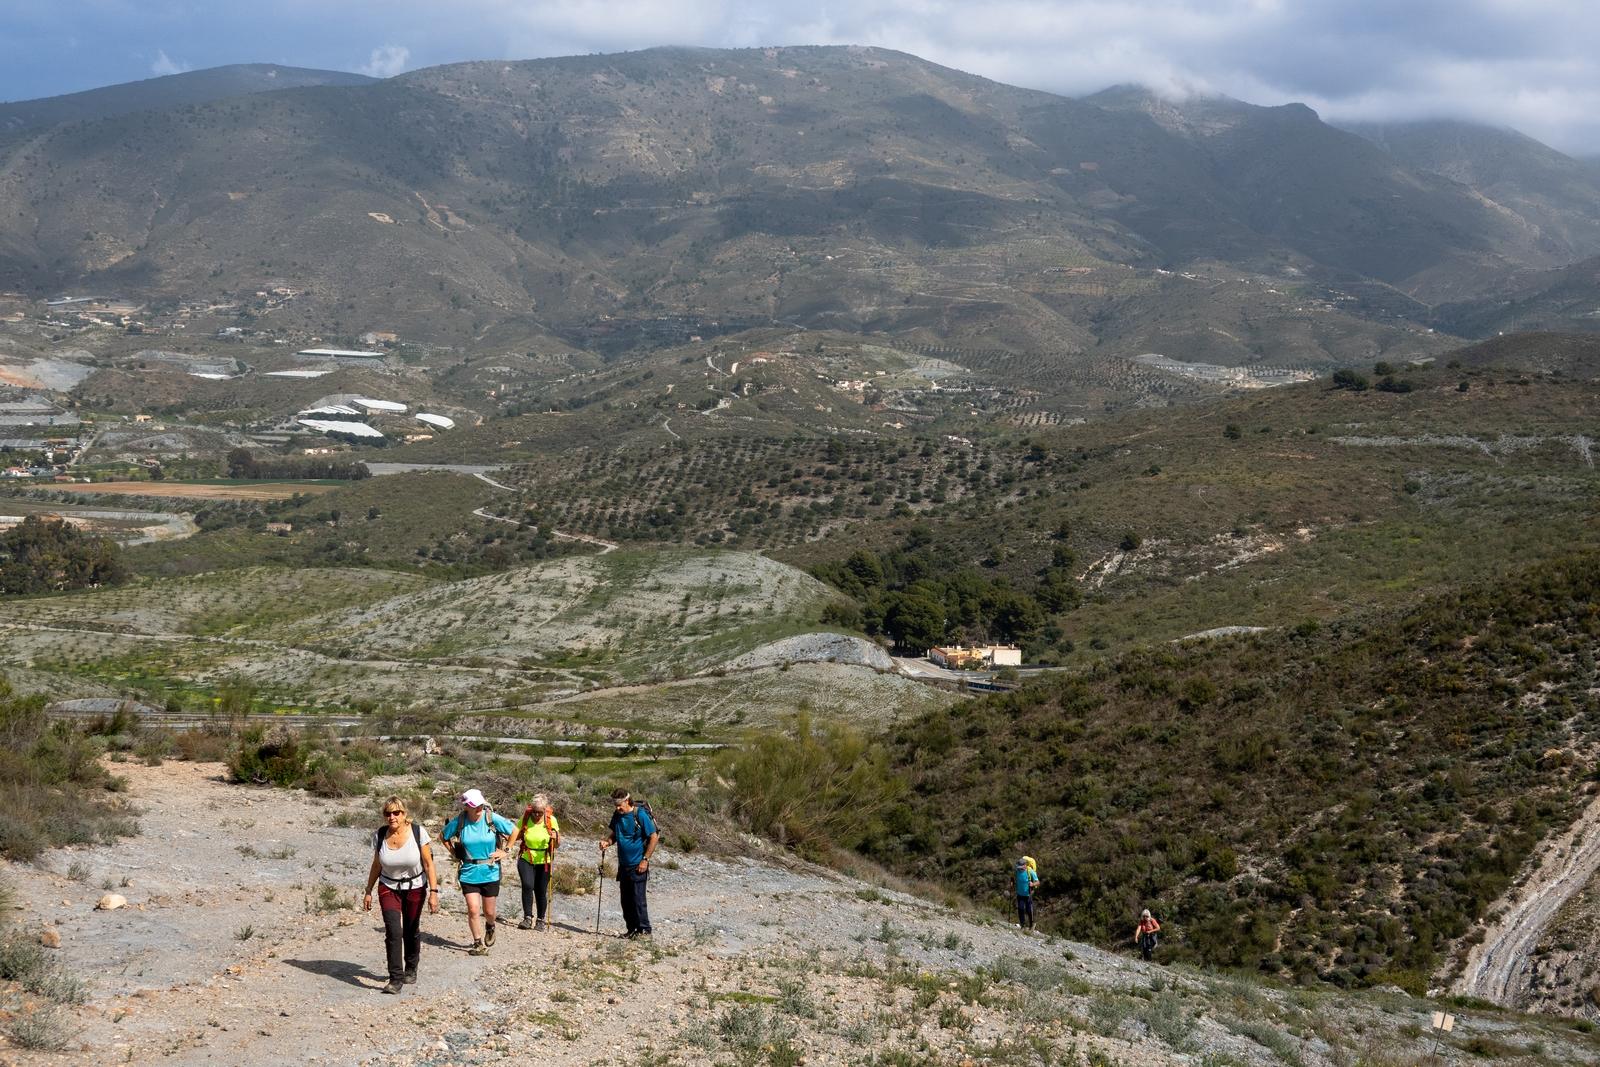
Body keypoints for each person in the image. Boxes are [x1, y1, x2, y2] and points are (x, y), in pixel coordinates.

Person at [362, 796, 440, 994]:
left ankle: (411, 967)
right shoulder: (380, 835)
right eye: (388, 813)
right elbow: (376, 865)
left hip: (415, 886)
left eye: (396, 812)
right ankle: (395, 978)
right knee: (394, 931)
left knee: (411, 928)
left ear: (405, 814)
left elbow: (429, 864)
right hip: (388, 886)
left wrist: (433, 892)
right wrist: (368, 891)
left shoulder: (417, 832)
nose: (392, 817)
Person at [441, 788, 516, 956]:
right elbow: (444, 837)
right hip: (468, 871)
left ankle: (490, 926)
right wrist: (453, 853)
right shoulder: (460, 821)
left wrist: (506, 850)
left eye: (480, 804)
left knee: (489, 912)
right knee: (473, 909)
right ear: (467, 806)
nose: (479, 808)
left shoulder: (491, 818)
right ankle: (477, 943)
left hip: (490, 871)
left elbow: (514, 831)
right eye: (475, 805)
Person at [599, 787, 658, 939]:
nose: (617, 808)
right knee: (626, 900)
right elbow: (615, 834)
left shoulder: (640, 815)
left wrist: (645, 859)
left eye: (620, 805)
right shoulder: (617, 815)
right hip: (623, 865)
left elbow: (653, 837)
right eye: (615, 805)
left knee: (638, 899)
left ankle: (644, 931)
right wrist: (607, 842)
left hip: (638, 864)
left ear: (627, 801)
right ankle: (631, 930)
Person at [512, 793, 561, 930]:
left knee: (540, 890)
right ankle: (527, 918)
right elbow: (515, 833)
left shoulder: (551, 820)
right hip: (526, 857)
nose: (537, 815)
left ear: (545, 810)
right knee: (527, 885)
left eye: (540, 812)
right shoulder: (525, 818)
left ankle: (540, 919)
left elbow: (557, 844)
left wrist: (555, 836)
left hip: (544, 860)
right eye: (534, 812)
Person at [1013, 855, 1039, 930]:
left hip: (1028, 894)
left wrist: (1033, 884)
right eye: (1018, 867)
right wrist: (1012, 882)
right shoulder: (1017, 871)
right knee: (1020, 909)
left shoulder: (1030, 871)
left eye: (1020, 867)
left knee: (1028, 910)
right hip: (1020, 893)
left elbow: (1038, 882)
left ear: (1025, 865)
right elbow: (1015, 878)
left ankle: (1031, 925)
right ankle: (1023, 925)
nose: (1019, 868)